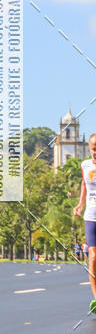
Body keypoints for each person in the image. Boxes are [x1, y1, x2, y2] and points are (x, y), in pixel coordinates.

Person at [73, 132, 96, 314]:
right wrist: (80, 203)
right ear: (89, 148)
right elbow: (83, 183)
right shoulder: (84, 165)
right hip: (91, 216)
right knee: (93, 257)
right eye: (94, 148)